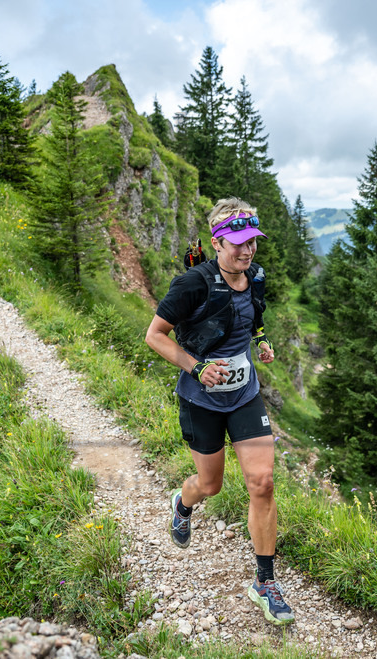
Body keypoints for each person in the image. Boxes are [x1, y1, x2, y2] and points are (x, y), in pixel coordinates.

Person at [144, 198, 294, 626]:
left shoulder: (256, 277)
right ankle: (182, 503)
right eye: (238, 244)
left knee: (262, 483)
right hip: (201, 399)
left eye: (253, 244)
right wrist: (198, 366)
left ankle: (264, 582)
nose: (247, 252)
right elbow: (154, 335)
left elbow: (253, 315)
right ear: (217, 242)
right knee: (209, 486)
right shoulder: (192, 283)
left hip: (245, 395)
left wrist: (261, 340)